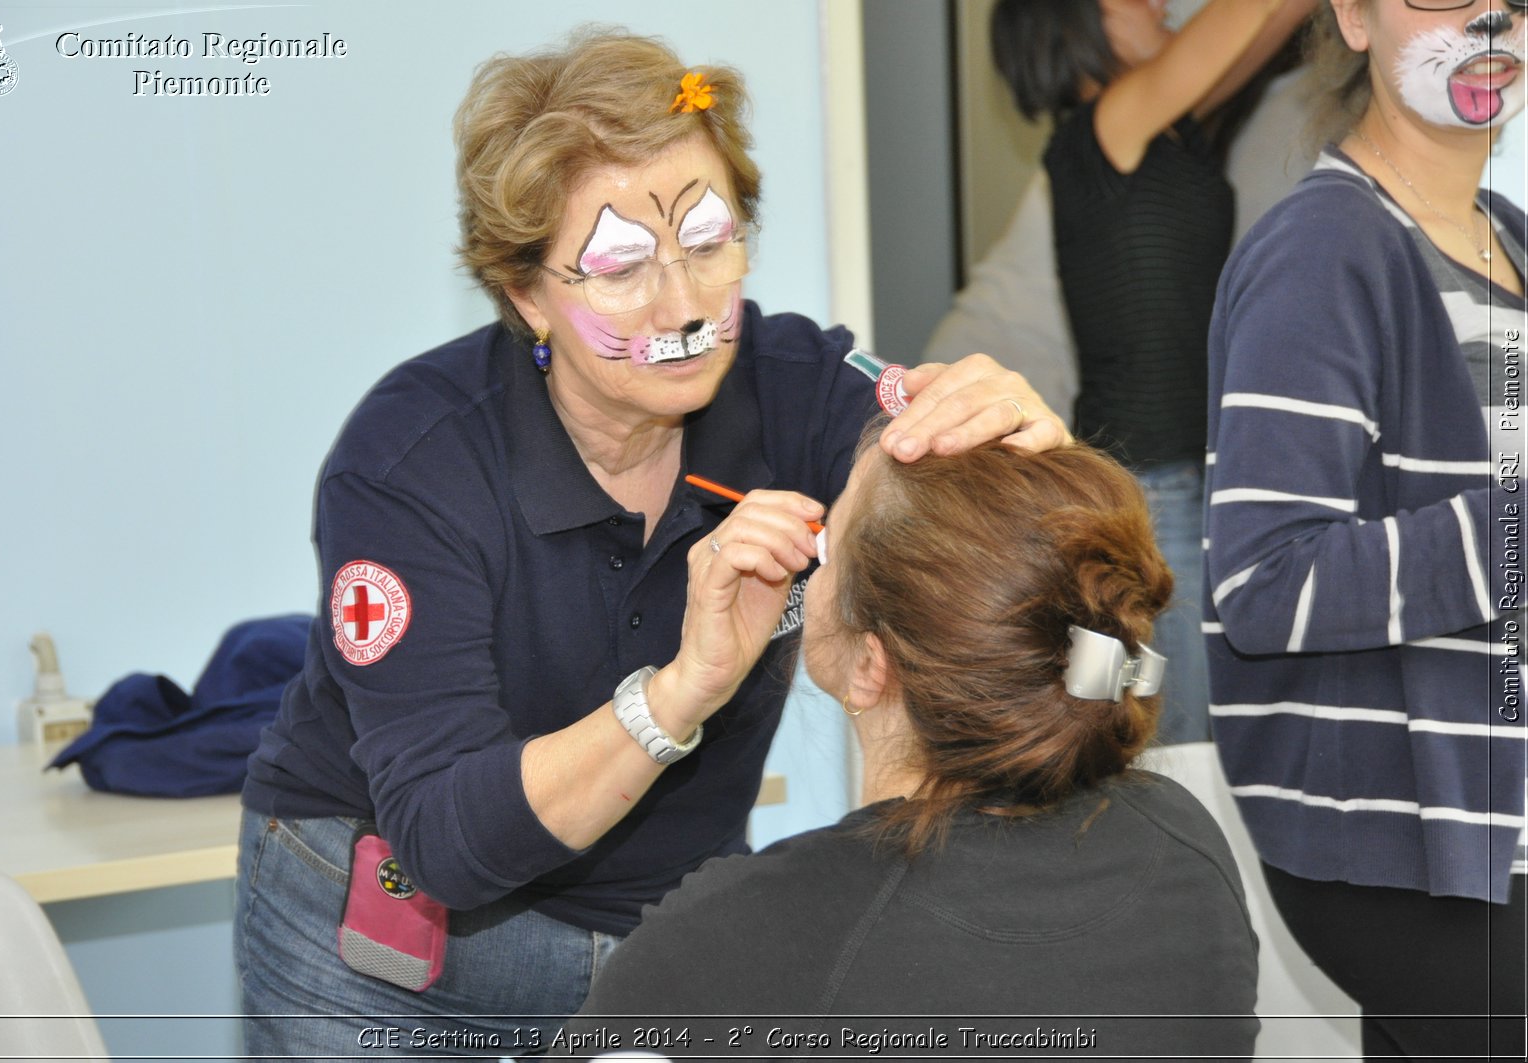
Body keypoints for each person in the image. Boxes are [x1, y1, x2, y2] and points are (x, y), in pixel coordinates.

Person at [230, 28, 1069, 1056]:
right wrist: (681, 691)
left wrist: (1022, 444)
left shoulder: (794, 386)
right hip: (393, 952)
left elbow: (976, 523)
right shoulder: (409, 466)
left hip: (661, 943)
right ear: (524, 292)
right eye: (622, 267)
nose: (684, 308)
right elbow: (448, 840)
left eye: (710, 242)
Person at [563, 431, 1260, 1058]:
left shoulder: (741, 939)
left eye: (826, 542)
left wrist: (686, 683)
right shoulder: (1185, 843)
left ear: (871, 664)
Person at [1204, 1, 1526, 1057]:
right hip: (1410, 840)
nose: (1490, 19)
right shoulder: (1321, 253)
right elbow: (1261, 581)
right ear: (1350, 16)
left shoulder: (1510, 241)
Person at [988, 0, 1315, 745]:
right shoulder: (1108, 125)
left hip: (1178, 480)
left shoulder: (1166, 128)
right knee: (1175, 738)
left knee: (1175, 729)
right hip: (1149, 490)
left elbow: (1270, 24)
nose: (1161, 4)